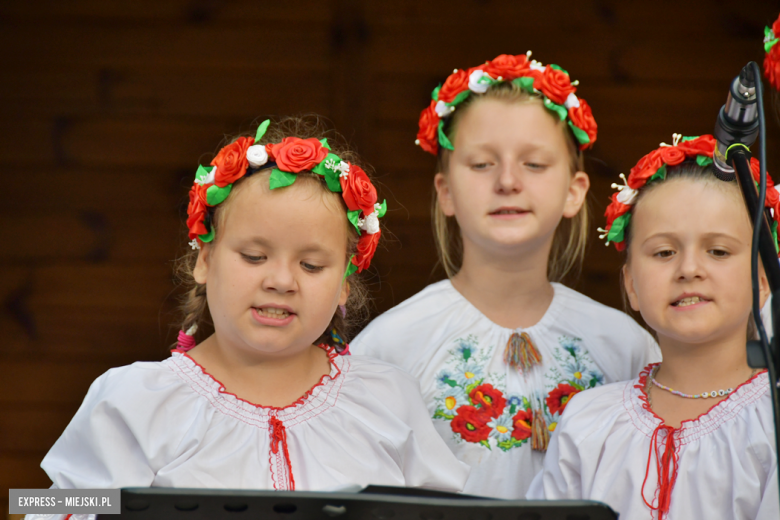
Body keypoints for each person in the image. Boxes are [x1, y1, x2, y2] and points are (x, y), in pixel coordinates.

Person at [31, 118, 469, 520]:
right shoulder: (133, 402)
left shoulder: (387, 400)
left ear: (343, 286)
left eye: (312, 266)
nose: (281, 280)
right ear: (204, 260)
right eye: (255, 256)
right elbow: (51, 506)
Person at [349, 53, 659, 499]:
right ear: (446, 191)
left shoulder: (623, 346)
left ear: (574, 191)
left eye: (534, 164)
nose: (508, 181)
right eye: (481, 164)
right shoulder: (392, 345)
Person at [527, 134, 779, 519]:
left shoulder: (773, 420)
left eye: (718, 251)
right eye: (664, 252)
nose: (689, 269)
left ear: (762, 279)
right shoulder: (590, 421)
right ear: (632, 286)